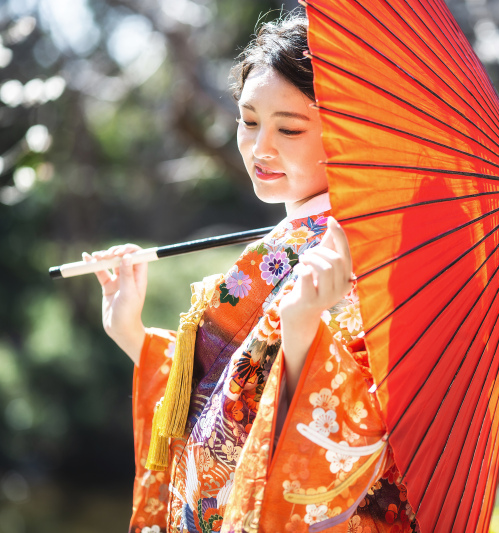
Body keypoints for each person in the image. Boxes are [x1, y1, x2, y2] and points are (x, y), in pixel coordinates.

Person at [85, 12, 417, 533]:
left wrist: (305, 325)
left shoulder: (361, 251)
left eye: (289, 128)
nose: (260, 148)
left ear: (348, 135)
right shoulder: (293, 239)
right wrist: (131, 332)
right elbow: (221, 391)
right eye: (249, 120)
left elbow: (358, 435)